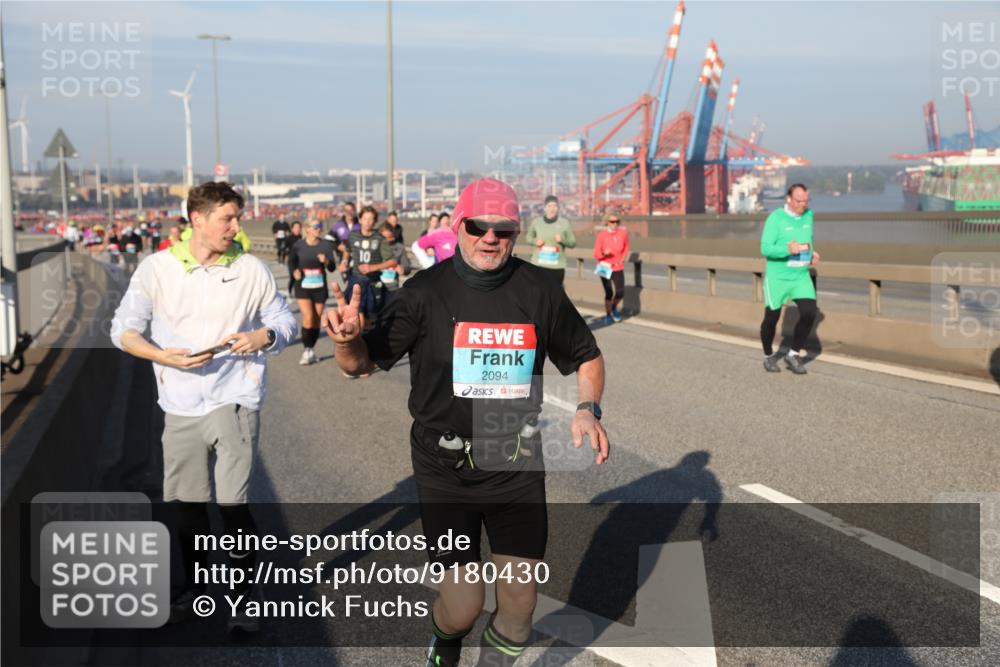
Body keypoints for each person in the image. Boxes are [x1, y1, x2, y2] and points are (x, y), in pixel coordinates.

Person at [322, 178, 609, 667]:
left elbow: (587, 356)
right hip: (444, 466)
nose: (491, 238)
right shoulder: (425, 293)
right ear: (459, 226)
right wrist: (348, 340)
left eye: (504, 229)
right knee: (462, 607)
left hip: (513, 456)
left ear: (517, 232)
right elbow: (361, 366)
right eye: (479, 226)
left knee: (520, 605)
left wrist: (587, 407)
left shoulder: (539, 288)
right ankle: (445, 641)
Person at [110, 181, 296, 633]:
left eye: (237, 217)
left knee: (233, 504)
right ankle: (194, 588)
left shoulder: (250, 269)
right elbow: (122, 330)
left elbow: (283, 320)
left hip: (235, 398)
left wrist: (262, 337)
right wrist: (163, 356)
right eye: (227, 219)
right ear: (197, 219)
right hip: (179, 402)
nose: (236, 226)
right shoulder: (157, 269)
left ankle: (242, 597)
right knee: (187, 505)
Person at [760, 183, 820, 375]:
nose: (802, 204)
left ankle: (793, 354)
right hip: (778, 278)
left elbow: (806, 239)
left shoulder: (809, 215)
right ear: (788, 199)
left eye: (805, 201)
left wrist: (812, 253)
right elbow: (765, 249)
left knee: (810, 312)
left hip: (800, 276)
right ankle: (769, 356)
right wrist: (787, 250)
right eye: (798, 201)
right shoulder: (775, 219)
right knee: (771, 318)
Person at [338, 206, 397, 332]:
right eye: (365, 219)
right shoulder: (353, 236)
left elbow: (393, 261)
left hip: (373, 282)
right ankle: (358, 343)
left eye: (371, 219)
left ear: (375, 221)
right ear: (359, 220)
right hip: (356, 280)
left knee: (371, 319)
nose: (367, 222)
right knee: (356, 315)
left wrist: (373, 267)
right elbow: (347, 251)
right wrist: (344, 262)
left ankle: (368, 343)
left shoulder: (379, 239)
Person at [288, 219, 338, 365]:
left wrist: (326, 261)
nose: (318, 229)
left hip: (319, 287)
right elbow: (291, 262)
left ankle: (310, 349)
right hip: (303, 286)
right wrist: (294, 272)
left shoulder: (325, 245)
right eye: (315, 227)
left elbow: (332, 268)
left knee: (316, 319)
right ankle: (306, 350)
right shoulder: (298, 245)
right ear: (307, 229)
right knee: (308, 317)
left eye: (320, 227)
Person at [524, 195, 576, 285]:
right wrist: (535, 241)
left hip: (556, 267)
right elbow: (528, 238)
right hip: (539, 265)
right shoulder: (537, 222)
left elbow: (572, 243)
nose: (552, 209)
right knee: (539, 293)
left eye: (555, 206)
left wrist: (562, 240)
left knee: (554, 295)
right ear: (545, 208)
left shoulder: (564, 223)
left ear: (558, 208)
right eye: (549, 206)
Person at [593, 211, 629, 324]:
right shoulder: (601, 235)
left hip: (618, 266)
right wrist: (604, 253)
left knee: (620, 292)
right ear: (607, 222)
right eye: (612, 222)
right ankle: (608, 315)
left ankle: (613, 308)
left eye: (617, 222)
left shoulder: (622, 233)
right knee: (608, 292)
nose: (615, 224)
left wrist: (623, 257)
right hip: (605, 267)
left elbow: (626, 246)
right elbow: (596, 253)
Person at [378, 221, 411, 290]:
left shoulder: (399, 247)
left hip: (392, 286)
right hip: (376, 284)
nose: (387, 241)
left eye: (390, 237)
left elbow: (407, 267)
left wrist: (403, 270)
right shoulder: (375, 246)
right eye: (384, 238)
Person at [285, 221, 303, 296]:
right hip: (292, 261)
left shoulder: (302, 238)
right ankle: (289, 292)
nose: (297, 229)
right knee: (293, 277)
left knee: (301, 277)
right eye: (295, 228)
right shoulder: (289, 238)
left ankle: (299, 293)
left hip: (301, 260)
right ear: (292, 229)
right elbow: (284, 248)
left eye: (299, 228)